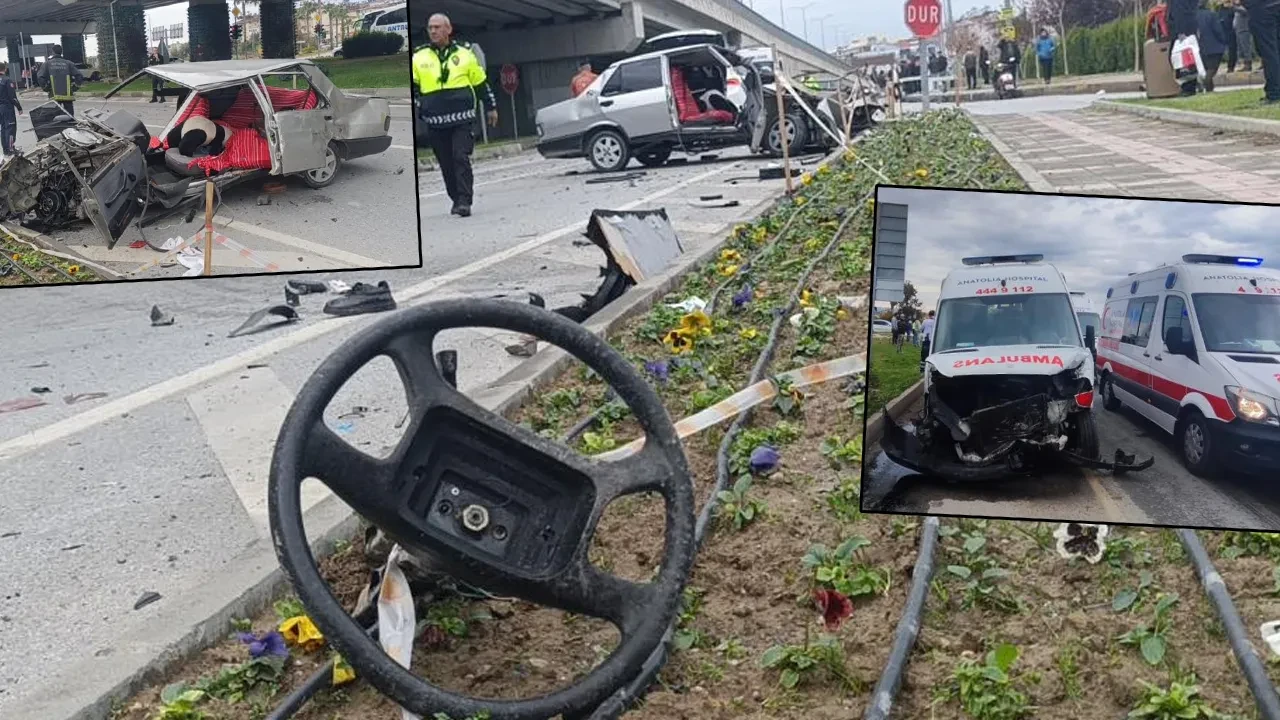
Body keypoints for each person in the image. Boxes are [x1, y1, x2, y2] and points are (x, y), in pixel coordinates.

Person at [411, 13, 498, 218]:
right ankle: (456, 198)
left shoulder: (465, 53)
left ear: (448, 29)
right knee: (446, 163)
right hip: (435, 120)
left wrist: (491, 107)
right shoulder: (419, 56)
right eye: (430, 27)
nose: (433, 31)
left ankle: (465, 201)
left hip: (462, 118)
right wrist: (421, 105)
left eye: (437, 27)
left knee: (460, 157)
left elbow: (480, 82)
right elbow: (414, 88)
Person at [36, 45, 83, 117]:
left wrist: (46, 88)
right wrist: (75, 87)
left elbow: (40, 77)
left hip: (54, 95)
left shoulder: (47, 64)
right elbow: (79, 76)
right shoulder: (69, 63)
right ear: (61, 52)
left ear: (53, 52)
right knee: (69, 117)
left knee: (55, 118)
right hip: (67, 96)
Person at [1198, 2, 1230, 90]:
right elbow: (1218, 30)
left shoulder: (1192, 17)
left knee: (1206, 68)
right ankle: (1206, 84)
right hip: (1214, 47)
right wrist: (1224, 41)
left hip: (1200, 47)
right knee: (1212, 69)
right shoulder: (1211, 15)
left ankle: (1208, 87)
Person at [0, 63, 22, 155]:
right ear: (5, 69)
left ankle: (5, 149)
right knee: (10, 128)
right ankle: (11, 149)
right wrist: (19, 107)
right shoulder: (7, 80)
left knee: (3, 128)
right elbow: (12, 96)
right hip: (7, 108)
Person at [1235, 0, 1256, 72]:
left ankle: (1248, 65)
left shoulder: (1243, 7)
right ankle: (1244, 64)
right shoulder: (1237, 8)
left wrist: (1233, 7)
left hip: (1244, 30)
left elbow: (1245, 12)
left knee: (1246, 48)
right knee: (1241, 49)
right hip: (1238, 30)